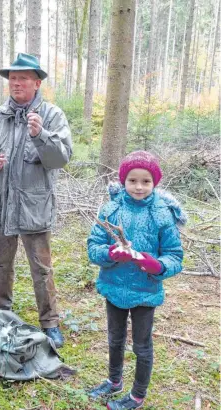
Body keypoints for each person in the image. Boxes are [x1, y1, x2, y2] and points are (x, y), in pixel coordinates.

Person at [0, 52, 73, 348]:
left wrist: (41, 135)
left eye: (23, 78)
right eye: (13, 78)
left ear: (37, 83)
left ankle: (50, 322)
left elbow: (60, 159)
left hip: (33, 206)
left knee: (41, 268)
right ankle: (2, 313)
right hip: (1, 205)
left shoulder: (52, 115)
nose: (16, 83)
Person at [87, 151, 185, 409]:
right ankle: (114, 381)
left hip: (145, 290)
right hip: (114, 286)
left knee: (142, 345)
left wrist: (157, 265)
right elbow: (93, 247)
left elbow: (175, 256)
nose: (139, 187)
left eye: (145, 181)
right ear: (123, 181)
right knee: (115, 339)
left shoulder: (163, 214)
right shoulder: (111, 209)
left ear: (155, 183)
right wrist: (109, 253)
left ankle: (138, 395)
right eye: (132, 180)